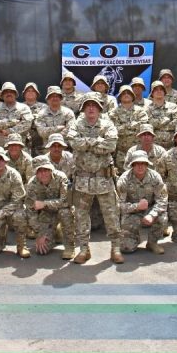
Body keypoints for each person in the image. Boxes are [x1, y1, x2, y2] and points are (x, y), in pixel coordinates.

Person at [66, 94, 124, 264]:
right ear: (83, 108)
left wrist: (86, 143)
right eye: (87, 105)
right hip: (83, 179)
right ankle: (84, 249)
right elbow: (73, 142)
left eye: (94, 105)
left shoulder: (107, 124)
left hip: (103, 178)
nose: (91, 108)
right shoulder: (76, 124)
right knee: (81, 216)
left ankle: (116, 248)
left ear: (99, 108)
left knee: (111, 214)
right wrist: (97, 142)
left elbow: (111, 145)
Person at [117, 150, 168, 254]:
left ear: (147, 164)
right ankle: (134, 239)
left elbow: (162, 200)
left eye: (143, 163)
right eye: (137, 164)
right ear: (132, 165)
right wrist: (137, 206)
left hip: (150, 209)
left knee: (163, 217)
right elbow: (118, 205)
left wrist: (152, 215)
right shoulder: (124, 180)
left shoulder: (155, 177)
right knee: (126, 249)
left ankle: (152, 242)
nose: (140, 166)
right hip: (132, 212)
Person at [25, 162, 74, 258]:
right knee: (42, 249)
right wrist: (39, 234)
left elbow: (67, 201)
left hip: (63, 209)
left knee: (65, 212)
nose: (43, 174)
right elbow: (30, 211)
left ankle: (69, 246)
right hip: (47, 213)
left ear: (51, 170)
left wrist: (44, 203)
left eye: (46, 170)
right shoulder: (32, 184)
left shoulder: (61, 177)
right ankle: (56, 232)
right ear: (35, 173)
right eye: (39, 171)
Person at [109, 85, 149, 172]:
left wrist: (123, 126)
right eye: (123, 93)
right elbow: (114, 129)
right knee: (121, 176)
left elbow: (143, 127)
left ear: (132, 96)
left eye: (128, 93)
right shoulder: (113, 112)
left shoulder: (141, 111)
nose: (126, 94)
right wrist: (132, 126)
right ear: (120, 97)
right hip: (120, 152)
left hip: (138, 151)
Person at [0, 82, 34, 149]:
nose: (9, 93)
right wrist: (12, 122)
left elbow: (27, 124)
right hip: (2, 147)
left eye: (11, 92)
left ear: (15, 94)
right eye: (6, 92)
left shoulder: (24, 108)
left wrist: (9, 131)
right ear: (2, 95)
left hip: (21, 146)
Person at [33, 85, 75, 157]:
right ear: (48, 99)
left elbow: (71, 130)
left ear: (60, 98)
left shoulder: (68, 113)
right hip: (47, 151)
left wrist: (54, 135)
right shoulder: (41, 114)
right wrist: (58, 128)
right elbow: (42, 132)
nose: (54, 98)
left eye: (57, 96)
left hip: (65, 150)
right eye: (52, 96)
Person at [146, 80, 177, 149]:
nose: (159, 91)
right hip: (154, 148)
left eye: (161, 89)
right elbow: (149, 125)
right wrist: (167, 120)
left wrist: (158, 125)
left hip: (172, 147)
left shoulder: (173, 106)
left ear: (164, 92)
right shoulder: (147, 109)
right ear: (152, 93)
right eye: (156, 90)